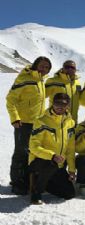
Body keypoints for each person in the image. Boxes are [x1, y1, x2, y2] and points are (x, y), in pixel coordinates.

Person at [6, 56, 52, 195]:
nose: (44, 69)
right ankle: (16, 182)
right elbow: (11, 100)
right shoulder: (24, 79)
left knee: (32, 152)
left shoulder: (40, 81)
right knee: (21, 152)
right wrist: (15, 118)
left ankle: (26, 180)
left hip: (37, 123)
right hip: (23, 123)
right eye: (42, 66)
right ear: (35, 65)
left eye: (47, 67)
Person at [29, 93, 76, 204]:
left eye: (63, 104)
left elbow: (70, 149)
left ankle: (43, 183)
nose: (60, 106)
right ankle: (36, 192)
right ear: (52, 103)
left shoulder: (70, 123)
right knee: (50, 164)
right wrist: (52, 155)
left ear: (68, 105)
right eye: (57, 103)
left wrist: (72, 170)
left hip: (58, 164)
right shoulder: (41, 121)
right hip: (40, 162)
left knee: (69, 194)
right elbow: (33, 147)